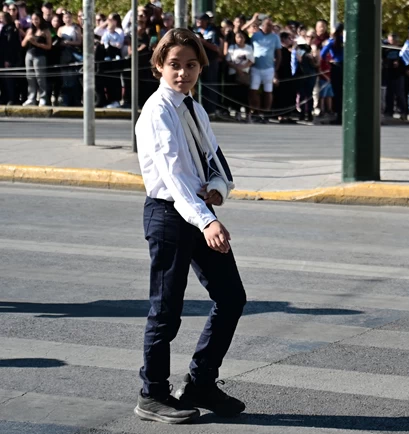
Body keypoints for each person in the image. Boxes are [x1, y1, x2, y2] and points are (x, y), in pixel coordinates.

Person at [134, 27, 246, 424]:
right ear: (159, 66)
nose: (183, 73)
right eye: (174, 65)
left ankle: (200, 382)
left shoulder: (193, 108)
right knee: (166, 310)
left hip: (198, 210)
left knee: (231, 297)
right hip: (169, 214)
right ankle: (153, 394)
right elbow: (175, 176)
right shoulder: (158, 112)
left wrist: (217, 189)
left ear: (201, 67)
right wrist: (208, 221)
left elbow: (215, 161)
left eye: (191, 65)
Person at [248, 16, 282, 122]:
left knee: (268, 91)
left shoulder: (275, 37)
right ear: (262, 26)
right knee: (254, 90)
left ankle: (265, 113)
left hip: (269, 68)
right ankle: (256, 111)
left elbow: (278, 54)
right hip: (256, 67)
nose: (270, 27)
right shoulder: (255, 36)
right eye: (268, 25)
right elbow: (250, 50)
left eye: (271, 25)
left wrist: (275, 69)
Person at [21, 11, 51, 106]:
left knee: (40, 77)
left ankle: (43, 97)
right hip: (29, 54)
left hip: (40, 55)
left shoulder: (45, 31)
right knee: (30, 77)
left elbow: (49, 46)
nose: (35, 21)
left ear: (40, 19)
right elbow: (23, 44)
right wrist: (27, 38)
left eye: (36, 19)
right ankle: (31, 98)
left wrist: (37, 43)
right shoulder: (30, 30)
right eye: (33, 19)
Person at [194, 13, 221, 115]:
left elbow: (216, 48)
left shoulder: (212, 33)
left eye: (201, 20)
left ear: (206, 21)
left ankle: (210, 110)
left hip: (210, 62)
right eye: (197, 19)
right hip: (198, 61)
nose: (198, 21)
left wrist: (203, 42)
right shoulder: (195, 31)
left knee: (210, 85)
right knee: (194, 85)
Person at [226, 30, 253, 121]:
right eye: (238, 37)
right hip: (234, 73)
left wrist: (242, 68)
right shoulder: (232, 47)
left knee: (245, 95)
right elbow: (228, 60)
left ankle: (248, 114)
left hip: (244, 74)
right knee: (236, 94)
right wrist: (237, 69)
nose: (239, 39)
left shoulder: (248, 48)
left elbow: (251, 60)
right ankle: (237, 112)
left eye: (241, 37)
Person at [320, 23, 344, 124]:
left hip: (336, 66)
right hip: (345, 66)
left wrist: (328, 61)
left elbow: (322, 54)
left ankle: (339, 116)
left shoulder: (332, 41)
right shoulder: (345, 40)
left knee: (337, 92)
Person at [296, 30, 319, 122]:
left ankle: (309, 113)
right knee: (301, 93)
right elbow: (299, 59)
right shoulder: (301, 47)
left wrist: (312, 57)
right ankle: (301, 113)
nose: (310, 39)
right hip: (302, 73)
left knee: (309, 93)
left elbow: (317, 64)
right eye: (308, 37)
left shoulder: (315, 48)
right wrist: (306, 55)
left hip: (311, 73)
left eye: (312, 37)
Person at [382, 32, 406, 120]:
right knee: (389, 95)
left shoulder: (401, 50)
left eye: (391, 40)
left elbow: (405, 61)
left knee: (400, 94)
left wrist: (399, 63)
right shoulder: (385, 49)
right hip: (388, 74)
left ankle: (403, 112)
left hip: (398, 75)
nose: (390, 42)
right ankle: (389, 111)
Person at [273, 31, 295, 123]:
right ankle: (280, 115)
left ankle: (287, 114)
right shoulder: (279, 50)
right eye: (289, 38)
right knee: (280, 95)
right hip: (281, 75)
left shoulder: (288, 51)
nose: (291, 40)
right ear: (283, 39)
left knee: (288, 95)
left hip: (288, 76)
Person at [0, 11, 21, 104]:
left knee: (9, 80)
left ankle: (11, 98)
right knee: (3, 80)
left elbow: (9, 46)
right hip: (2, 57)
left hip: (8, 58)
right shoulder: (4, 28)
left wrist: (7, 59)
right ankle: (4, 97)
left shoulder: (10, 29)